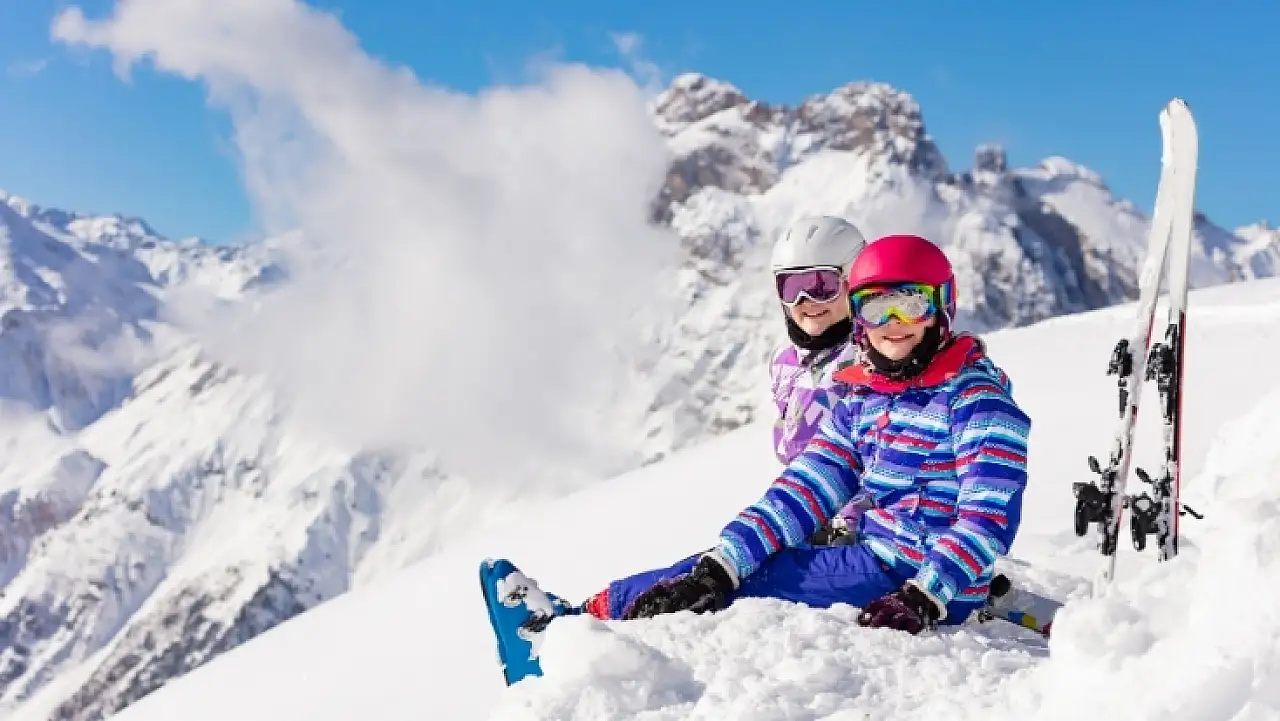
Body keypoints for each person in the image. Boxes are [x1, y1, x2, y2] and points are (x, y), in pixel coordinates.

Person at [522, 234, 1031, 636]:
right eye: (877, 309)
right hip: (879, 561)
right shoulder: (865, 397)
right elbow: (806, 487)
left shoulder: (977, 402)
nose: (892, 325)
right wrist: (724, 561)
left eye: (910, 306)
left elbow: (988, 518)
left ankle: (580, 631)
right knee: (715, 573)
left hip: (915, 579)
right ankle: (584, 616)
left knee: (746, 587)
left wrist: (925, 594)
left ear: (941, 308)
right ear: (859, 318)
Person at [766, 215, 873, 541]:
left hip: (872, 532)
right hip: (807, 521)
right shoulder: (785, 363)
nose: (805, 302)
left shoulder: (875, 354)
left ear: (854, 281)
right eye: (791, 287)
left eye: (821, 286)